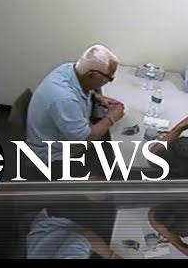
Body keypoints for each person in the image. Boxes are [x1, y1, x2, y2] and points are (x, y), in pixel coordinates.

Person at [25, 45, 125, 176]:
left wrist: (97, 96)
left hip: (57, 141)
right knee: (107, 179)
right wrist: (111, 117)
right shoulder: (64, 98)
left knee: (108, 145)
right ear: (92, 75)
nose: (109, 81)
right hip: (53, 158)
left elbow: (80, 87)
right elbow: (84, 140)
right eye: (109, 78)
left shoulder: (69, 69)